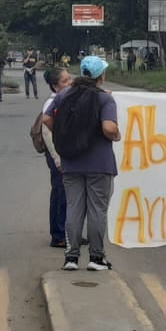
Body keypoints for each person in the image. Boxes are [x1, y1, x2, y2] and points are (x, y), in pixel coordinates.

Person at [44, 55, 120, 272]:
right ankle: (96, 258)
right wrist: (116, 134)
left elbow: (47, 120)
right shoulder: (104, 99)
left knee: (74, 208)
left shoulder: (65, 95)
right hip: (99, 163)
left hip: (71, 162)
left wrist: (64, 136)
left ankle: (71, 257)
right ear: (100, 76)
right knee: (97, 210)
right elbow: (108, 128)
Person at [41, 67, 73, 248]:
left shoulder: (66, 100)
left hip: (64, 153)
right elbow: (47, 133)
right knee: (60, 193)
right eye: (64, 81)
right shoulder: (51, 103)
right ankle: (58, 234)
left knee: (68, 194)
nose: (69, 83)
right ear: (55, 86)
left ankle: (69, 233)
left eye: (69, 79)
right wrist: (57, 158)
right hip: (57, 155)